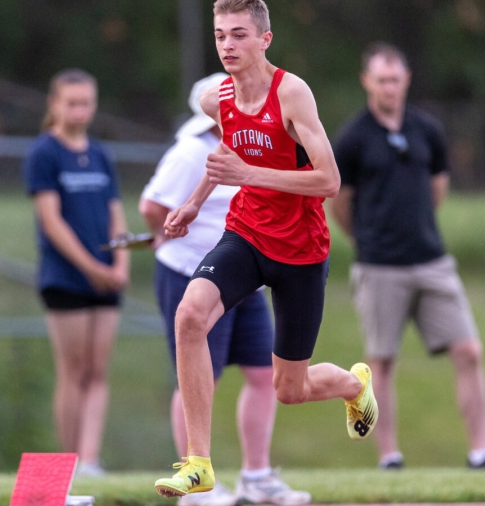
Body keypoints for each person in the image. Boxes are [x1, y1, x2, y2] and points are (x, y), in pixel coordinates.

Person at [154, 0, 378, 498]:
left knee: (289, 390)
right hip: (247, 234)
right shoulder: (218, 99)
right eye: (219, 36)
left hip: (301, 251)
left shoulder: (292, 93)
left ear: (264, 39)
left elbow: (330, 181)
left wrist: (248, 175)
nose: (228, 46)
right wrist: (193, 204)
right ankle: (199, 463)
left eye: (238, 35)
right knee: (190, 317)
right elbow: (227, 155)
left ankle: (352, 385)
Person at [140, 73, 310, 506]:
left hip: (244, 273)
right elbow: (152, 205)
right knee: (200, 378)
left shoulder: (256, 146)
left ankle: (257, 475)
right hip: (189, 273)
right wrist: (171, 230)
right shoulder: (192, 151)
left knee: (261, 373)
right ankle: (194, 485)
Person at [329, 42, 485, 470]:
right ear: (367, 81)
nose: (389, 87)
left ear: (406, 80)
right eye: (381, 79)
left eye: (396, 79)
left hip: (431, 259)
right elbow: (340, 203)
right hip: (380, 265)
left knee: (469, 351)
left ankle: (480, 451)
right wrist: (365, 239)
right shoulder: (353, 138)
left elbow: (437, 187)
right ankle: (389, 457)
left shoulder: (427, 130)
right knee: (381, 362)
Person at [22, 68, 129, 478]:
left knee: (98, 370)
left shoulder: (101, 154)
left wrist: (118, 264)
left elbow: (115, 213)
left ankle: (90, 459)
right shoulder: (44, 153)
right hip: (65, 278)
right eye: (71, 103)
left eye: (86, 102)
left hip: (106, 278)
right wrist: (92, 267)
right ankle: (67, 462)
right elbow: (52, 221)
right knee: (73, 369)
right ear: (54, 104)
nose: (80, 110)